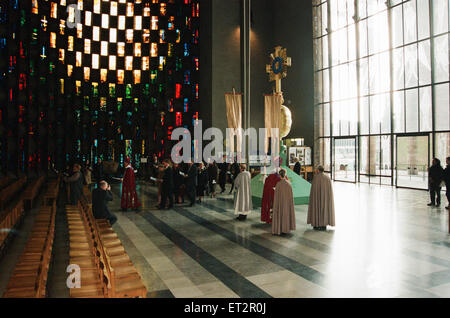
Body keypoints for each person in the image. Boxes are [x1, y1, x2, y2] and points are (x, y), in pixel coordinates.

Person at [307, 166, 335, 231]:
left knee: (316, 208)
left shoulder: (316, 178)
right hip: (325, 198)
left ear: (318, 170)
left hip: (316, 198)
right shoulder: (327, 178)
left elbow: (313, 191)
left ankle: (317, 224)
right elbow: (329, 191)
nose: (315, 170)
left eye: (316, 169)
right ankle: (324, 225)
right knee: (324, 209)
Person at [272, 169, 296, 235]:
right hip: (287, 203)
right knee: (286, 214)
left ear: (279, 175)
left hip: (280, 203)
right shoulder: (289, 183)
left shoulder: (278, 184)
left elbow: (276, 196)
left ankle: (280, 228)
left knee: (280, 213)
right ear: (285, 174)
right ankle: (286, 227)